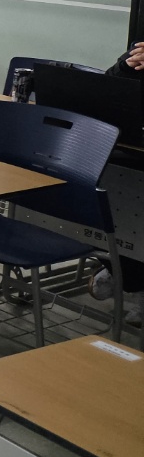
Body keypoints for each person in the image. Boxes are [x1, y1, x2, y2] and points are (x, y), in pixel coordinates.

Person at [88, 39, 144, 325]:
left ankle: (131, 277)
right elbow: (107, 88)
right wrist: (128, 67)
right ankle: (120, 268)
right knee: (101, 179)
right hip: (131, 151)